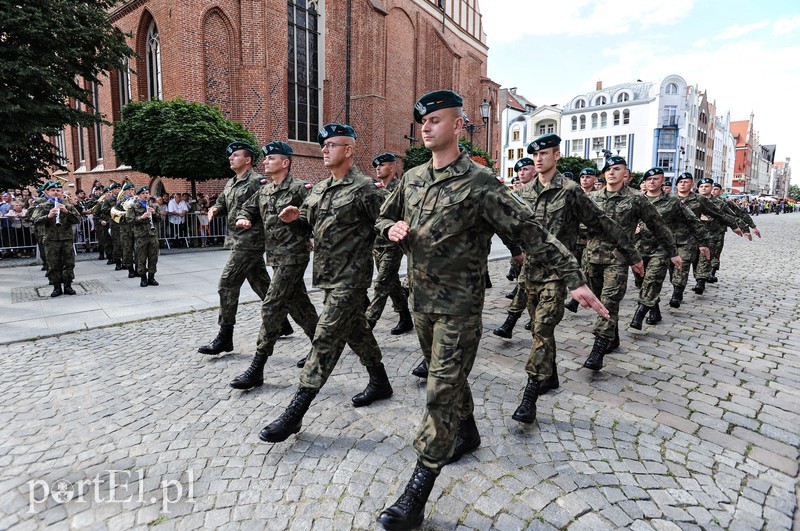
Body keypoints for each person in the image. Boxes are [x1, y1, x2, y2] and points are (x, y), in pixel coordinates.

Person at [373, 90, 608, 531]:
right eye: (422, 122)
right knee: (451, 379)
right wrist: (392, 228)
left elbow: (531, 232)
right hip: (421, 303)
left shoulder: (481, 184)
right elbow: (382, 218)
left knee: (440, 389)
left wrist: (574, 278)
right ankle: (468, 433)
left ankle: (416, 493)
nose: (426, 128)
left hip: (460, 309)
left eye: (436, 120)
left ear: (459, 126)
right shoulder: (413, 178)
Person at [258, 123, 392, 443]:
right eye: (323, 145)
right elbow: (307, 223)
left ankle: (295, 413)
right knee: (357, 332)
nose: (324, 149)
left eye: (332, 144)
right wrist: (296, 218)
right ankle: (380, 381)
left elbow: (387, 221)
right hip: (328, 277)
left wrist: (388, 245)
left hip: (351, 278)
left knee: (325, 338)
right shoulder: (318, 189)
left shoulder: (365, 188)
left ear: (348, 150)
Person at [496, 134, 641, 424]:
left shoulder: (571, 191)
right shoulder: (524, 192)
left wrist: (632, 255)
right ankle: (551, 377)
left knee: (542, 329)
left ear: (557, 155)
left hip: (558, 274)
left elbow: (602, 222)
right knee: (540, 331)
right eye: (534, 155)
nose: (538, 159)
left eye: (544, 153)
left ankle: (530, 396)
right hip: (530, 274)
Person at [230, 141, 319, 390]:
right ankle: (321, 345)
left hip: (294, 256)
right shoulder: (265, 191)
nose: (265, 162)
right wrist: (244, 218)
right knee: (299, 304)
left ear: (285, 163)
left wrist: (305, 231)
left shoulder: (300, 188)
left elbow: (315, 216)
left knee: (272, 306)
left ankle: (257, 368)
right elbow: (248, 208)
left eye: (271, 159)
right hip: (276, 258)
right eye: (265, 159)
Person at [582, 156, 678, 371]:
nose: (611, 172)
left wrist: (672, 252)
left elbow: (657, 225)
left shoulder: (636, 198)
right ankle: (612, 337)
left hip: (617, 259)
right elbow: (578, 223)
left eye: (616, 169)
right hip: (593, 258)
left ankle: (597, 351)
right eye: (607, 169)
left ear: (626, 173)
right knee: (599, 301)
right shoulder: (591, 197)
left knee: (609, 302)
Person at [198, 141, 283, 355]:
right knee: (261, 284)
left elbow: (269, 206)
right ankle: (282, 323)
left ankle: (225, 337)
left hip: (250, 242)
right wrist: (216, 209)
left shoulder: (257, 181)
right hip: (237, 239)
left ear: (247, 160)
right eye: (230, 156)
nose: (230, 158)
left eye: (235, 155)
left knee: (227, 284)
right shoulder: (231, 183)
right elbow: (222, 202)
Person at [630, 168, 708, 329]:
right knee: (643, 282)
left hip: (661, 249)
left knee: (652, 280)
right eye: (649, 179)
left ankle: (639, 315)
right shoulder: (635, 200)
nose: (652, 182)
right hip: (639, 248)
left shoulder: (672, 201)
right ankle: (655, 311)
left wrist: (704, 242)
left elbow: (692, 221)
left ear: (662, 180)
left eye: (656, 179)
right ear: (644, 182)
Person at [670, 172, 742, 303]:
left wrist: (734, 225)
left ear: (692, 185)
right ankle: (677, 286)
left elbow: (718, 213)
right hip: (669, 239)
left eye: (686, 182)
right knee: (671, 268)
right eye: (680, 182)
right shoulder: (669, 198)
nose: (683, 184)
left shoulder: (699, 199)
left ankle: (677, 294)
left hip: (690, 239)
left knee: (683, 264)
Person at [365, 152, 413, 334]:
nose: (377, 168)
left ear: (391, 167)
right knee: (392, 283)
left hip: (393, 245)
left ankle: (367, 325)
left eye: (381, 165)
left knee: (381, 284)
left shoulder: (401, 189)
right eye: (376, 166)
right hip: (377, 245)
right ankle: (405, 318)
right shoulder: (374, 189)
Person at [694, 178, 747, 290]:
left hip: (714, 234)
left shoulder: (721, 203)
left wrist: (744, 227)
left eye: (707, 186)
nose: (704, 188)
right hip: (693, 235)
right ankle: (700, 277)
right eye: (701, 186)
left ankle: (701, 281)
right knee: (695, 259)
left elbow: (731, 216)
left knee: (708, 257)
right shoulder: (691, 200)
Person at [30, 182, 81, 297]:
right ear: (47, 192)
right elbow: (35, 219)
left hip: (66, 239)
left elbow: (78, 219)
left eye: (58, 190)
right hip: (51, 239)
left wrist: (66, 212)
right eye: (52, 190)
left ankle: (68, 285)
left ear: (62, 192)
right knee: (53, 263)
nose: (55, 192)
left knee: (68, 262)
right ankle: (56, 287)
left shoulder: (67, 205)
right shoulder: (43, 206)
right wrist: (48, 216)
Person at [709, 182, 760, 283]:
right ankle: (702, 276)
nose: (713, 191)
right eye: (712, 189)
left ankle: (711, 273)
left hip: (718, 232)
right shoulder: (703, 201)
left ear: (721, 191)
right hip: (702, 231)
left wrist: (751, 226)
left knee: (715, 253)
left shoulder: (725, 203)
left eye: (716, 189)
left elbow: (739, 214)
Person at [127, 186, 162, 287]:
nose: (145, 195)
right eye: (143, 193)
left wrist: (154, 214)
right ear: (138, 196)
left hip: (152, 236)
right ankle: (143, 278)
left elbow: (161, 219)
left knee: (153, 258)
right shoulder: (133, 207)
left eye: (147, 193)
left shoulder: (154, 206)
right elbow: (129, 221)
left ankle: (151, 277)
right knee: (141, 258)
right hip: (140, 237)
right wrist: (141, 217)